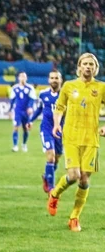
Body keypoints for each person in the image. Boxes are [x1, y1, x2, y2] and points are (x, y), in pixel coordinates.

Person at [47, 53, 105, 232]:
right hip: (71, 137)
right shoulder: (69, 86)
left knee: (85, 179)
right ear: (79, 67)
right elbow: (60, 107)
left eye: (91, 64)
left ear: (96, 68)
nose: (88, 67)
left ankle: (74, 217)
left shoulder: (101, 87)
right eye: (85, 64)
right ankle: (55, 193)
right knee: (74, 175)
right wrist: (57, 124)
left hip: (91, 140)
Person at [28, 71, 64, 193]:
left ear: (61, 80)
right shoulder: (43, 94)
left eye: (56, 78)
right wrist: (30, 120)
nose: (54, 80)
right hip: (47, 129)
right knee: (51, 156)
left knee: (57, 158)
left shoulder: (66, 95)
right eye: (52, 78)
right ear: (49, 80)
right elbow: (39, 109)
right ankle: (51, 189)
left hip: (61, 131)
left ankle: (46, 176)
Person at [9, 72, 36, 152]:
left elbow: (32, 99)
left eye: (24, 76)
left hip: (26, 112)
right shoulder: (14, 88)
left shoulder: (30, 88)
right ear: (18, 78)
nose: (23, 78)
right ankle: (15, 146)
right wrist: (10, 110)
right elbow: (12, 100)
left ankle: (24, 144)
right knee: (16, 127)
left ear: (26, 78)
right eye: (21, 76)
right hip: (18, 111)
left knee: (25, 128)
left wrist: (30, 107)